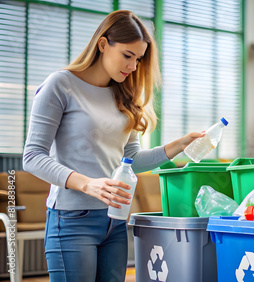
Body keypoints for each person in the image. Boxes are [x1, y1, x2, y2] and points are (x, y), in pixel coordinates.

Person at [23, 10, 203, 281]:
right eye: (127, 56)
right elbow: (33, 156)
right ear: (103, 44)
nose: (132, 67)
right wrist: (87, 184)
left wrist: (179, 145)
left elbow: (130, 160)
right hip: (71, 219)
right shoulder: (60, 85)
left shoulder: (124, 95)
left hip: (115, 221)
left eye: (138, 59)